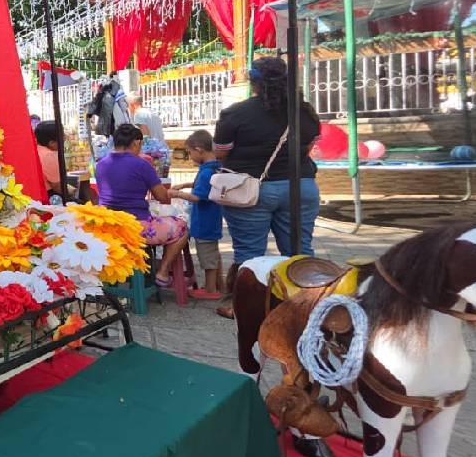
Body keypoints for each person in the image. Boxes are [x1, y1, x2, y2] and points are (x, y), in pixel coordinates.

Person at [212, 56, 321, 317]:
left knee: (249, 253)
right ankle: (307, 304)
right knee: (300, 250)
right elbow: (307, 148)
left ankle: (245, 309)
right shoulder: (304, 112)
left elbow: (221, 153)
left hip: (251, 190)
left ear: (253, 82)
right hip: (300, 187)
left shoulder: (235, 114)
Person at [96, 124, 188, 286]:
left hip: (108, 226)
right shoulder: (141, 164)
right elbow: (162, 197)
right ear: (136, 143)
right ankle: (163, 271)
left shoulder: (101, 164)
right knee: (182, 227)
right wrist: (174, 193)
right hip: (135, 228)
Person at [169, 130, 223, 299]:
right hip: (210, 219)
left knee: (207, 257)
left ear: (199, 150)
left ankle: (210, 290)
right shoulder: (214, 167)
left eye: (190, 152)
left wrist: (177, 194)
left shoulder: (207, 172)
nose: (190, 156)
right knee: (212, 254)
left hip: (205, 221)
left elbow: (198, 197)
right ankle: (215, 285)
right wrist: (185, 185)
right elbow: (201, 185)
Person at [35, 120, 75, 200]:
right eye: (62, 136)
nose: (65, 138)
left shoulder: (36, 150)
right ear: (51, 143)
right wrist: (72, 192)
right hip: (50, 197)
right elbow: (57, 186)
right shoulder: (49, 156)